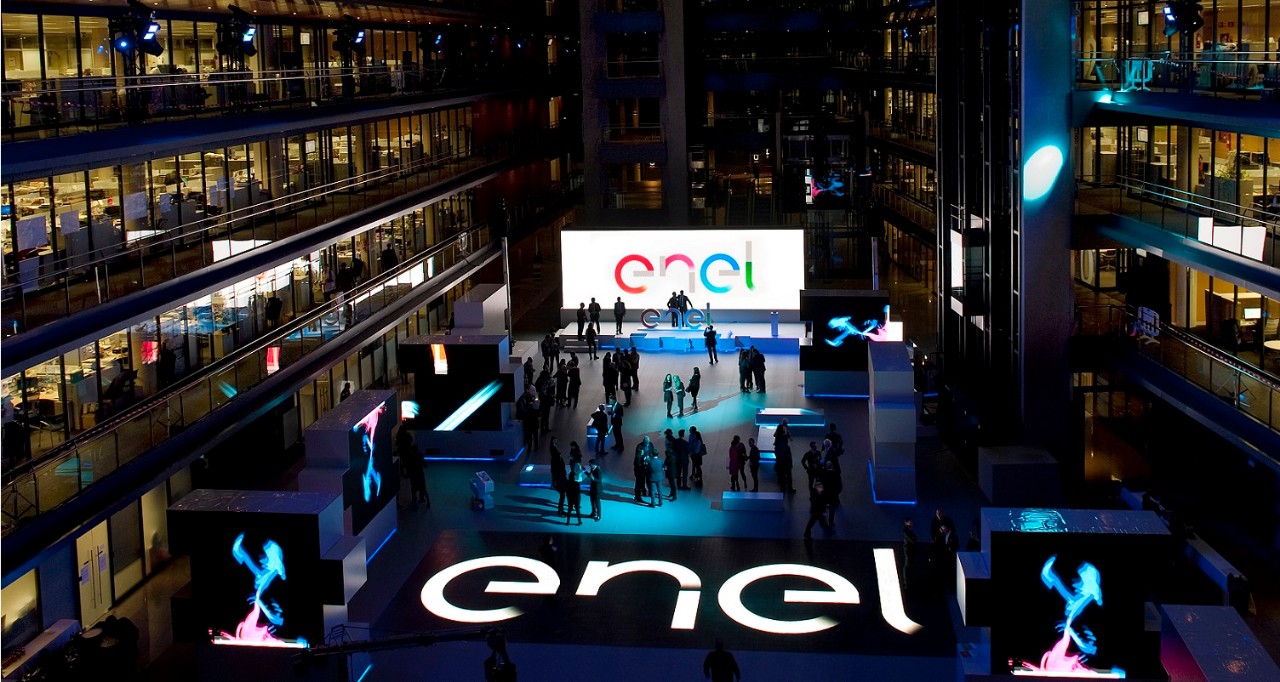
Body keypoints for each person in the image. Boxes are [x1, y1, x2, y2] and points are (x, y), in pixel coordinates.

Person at [398, 426, 428, 507]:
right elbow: (424, 464)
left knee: (414, 488)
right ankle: (424, 499)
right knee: (422, 487)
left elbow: (399, 447)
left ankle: (414, 503)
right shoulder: (419, 456)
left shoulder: (399, 437)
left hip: (413, 473)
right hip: (420, 474)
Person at [517, 385, 540, 454]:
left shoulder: (534, 397)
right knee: (531, 435)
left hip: (533, 419)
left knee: (534, 435)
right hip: (530, 420)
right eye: (532, 390)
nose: (534, 392)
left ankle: (535, 447)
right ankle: (530, 447)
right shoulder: (526, 398)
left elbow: (537, 406)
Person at [774, 420, 795, 493]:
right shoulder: (781, 428)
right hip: (784, 464)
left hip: (784, 464)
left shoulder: (782, 448)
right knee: (785, 475)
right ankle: (787, 488)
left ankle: (786, 488)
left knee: (785, 475)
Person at [634, 436, 656, 503]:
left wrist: (650, 459)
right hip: (640, 468)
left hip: (648, 466)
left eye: (648, 443)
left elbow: (652, 452)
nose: (647, 444)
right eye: (646, 443)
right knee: (640, 482)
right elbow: (638, 457)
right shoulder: (639, 446)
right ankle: (638, 496)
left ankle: (649, 492)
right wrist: (642, 461)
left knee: (649, 480)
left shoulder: (651, 445)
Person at [550, 438, 568, 516]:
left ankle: (561, 510)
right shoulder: (558, 464)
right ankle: (560, 511)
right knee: (562, 497)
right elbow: (557, 475)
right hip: (560, 483)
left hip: (562, 482)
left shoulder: (558, 463)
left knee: (562, 497)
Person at [565, 452, 584, 525]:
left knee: (569, 510)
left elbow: (567, 490)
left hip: (570, 498)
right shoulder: (576, 484)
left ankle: (568, 522)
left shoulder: (567, 483)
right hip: (576, 498)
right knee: (577, 510)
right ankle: (579, 521)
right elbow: (578, 492)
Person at [824, 460, 843, 528]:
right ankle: (831, 521)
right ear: (832, 466)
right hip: (833, 495)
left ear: (826, 467)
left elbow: (819, 484)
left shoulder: (823, 474)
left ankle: (824, 522)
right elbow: (840, 485)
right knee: (832, 509)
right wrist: (837, 492)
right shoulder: (836, 474)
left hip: (825, 495)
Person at [902, 517, 918, 587]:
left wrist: (913, 539)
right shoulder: (905, 530)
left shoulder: (909, 530)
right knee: (907, 566)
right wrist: (913, 539)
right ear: (906, 523)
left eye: (911, 522)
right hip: (908, 549)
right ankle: (906, 583)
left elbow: (915, 538)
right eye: (909, 522)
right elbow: (912, 540)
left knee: (908, 566)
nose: (911, 523)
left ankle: (907, 582)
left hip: (910, 549)